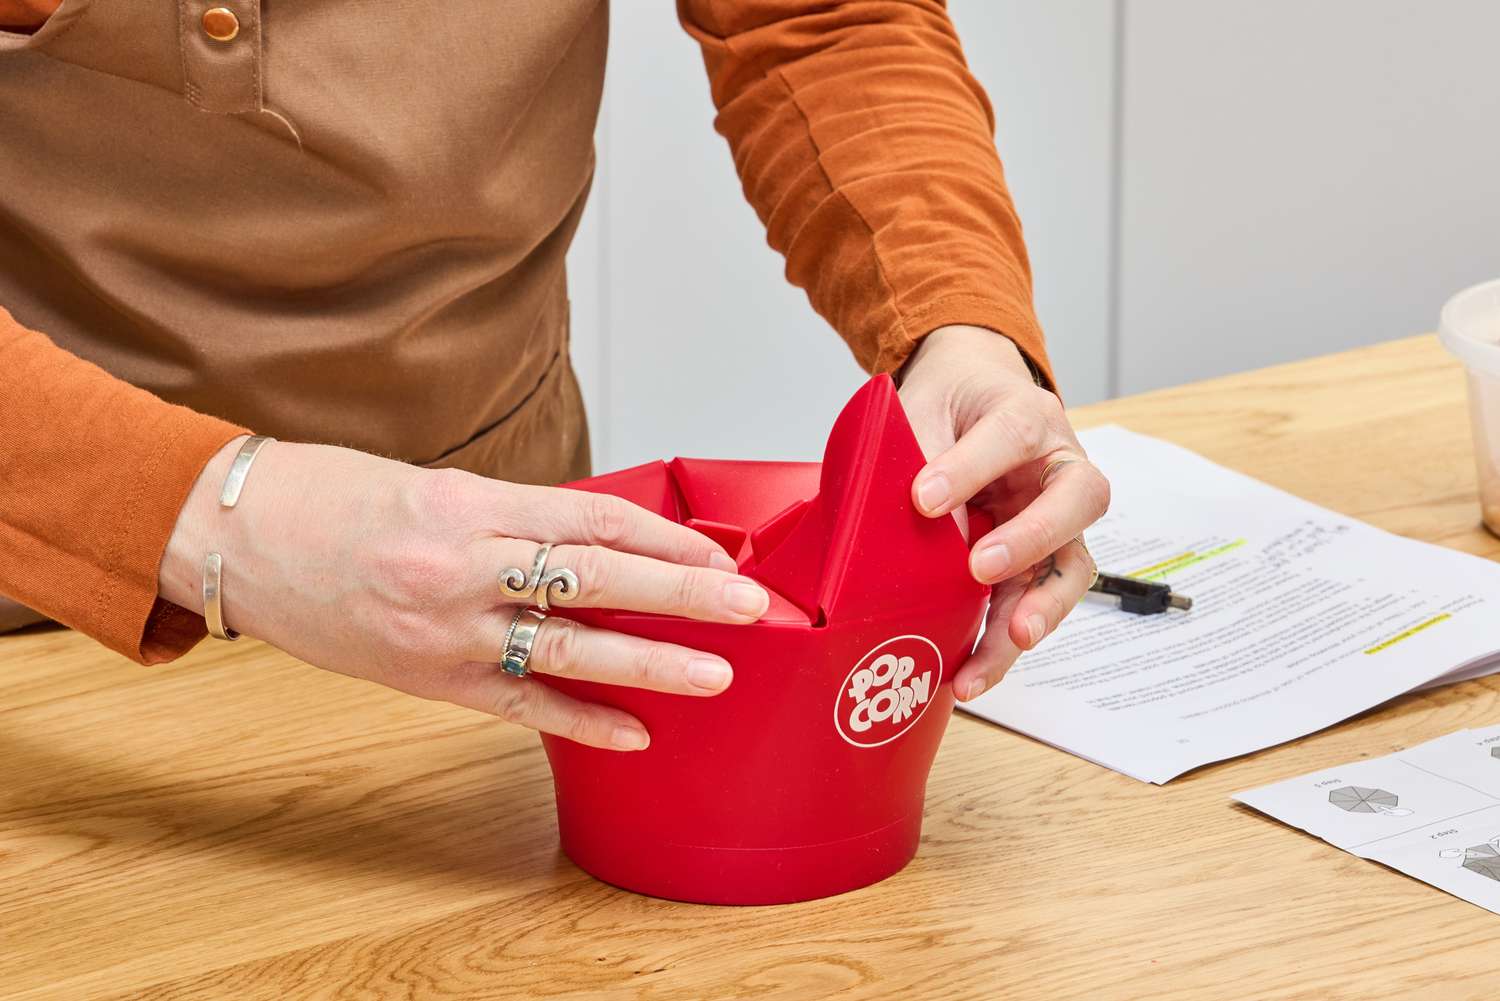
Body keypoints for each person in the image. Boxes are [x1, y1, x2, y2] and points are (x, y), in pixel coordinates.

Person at [0, 1, 1109, 750]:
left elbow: (814, 18)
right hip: (36, 612)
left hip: (502, 585)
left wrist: (957, 319)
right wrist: (221, 520)